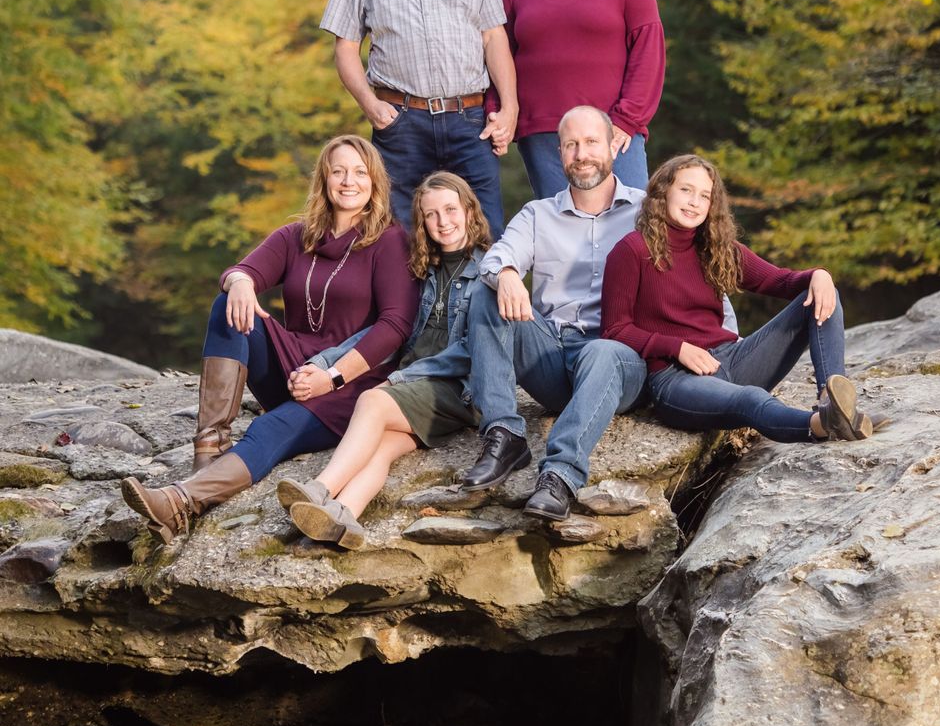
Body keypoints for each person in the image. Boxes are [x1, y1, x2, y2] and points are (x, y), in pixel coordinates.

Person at [121, 137, 419, 542]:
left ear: (375, 183)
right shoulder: (296, 236)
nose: (349, 181)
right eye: (339, 171)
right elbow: (240, 270)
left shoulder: (388, 241)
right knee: (227, 304)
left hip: (349, 384)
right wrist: (241, 281)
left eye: (360, 172)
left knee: (268, 430)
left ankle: (180, 504)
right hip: (292, 365)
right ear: (324, 179)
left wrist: (331, 377)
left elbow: (395, 326)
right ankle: (209, 448)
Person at [273, 172, 491, 549]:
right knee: (383, 446)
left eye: (451, 210)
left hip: (459, 392)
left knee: (373, 400)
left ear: (470, 211)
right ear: (420, 222)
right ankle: (343, 518)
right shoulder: (424, 269)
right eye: (431, 215)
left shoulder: (490, 272)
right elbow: (389, 329)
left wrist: (403, 378)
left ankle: (319, 488)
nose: (443, 222)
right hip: (418, 390)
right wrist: (327, 363)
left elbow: (474, 351)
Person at [458, 105, 650, 521]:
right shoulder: (537, 214)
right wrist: (507, 273)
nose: (582, 153)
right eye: (571, 145)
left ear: (613, 147)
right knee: (485, 291)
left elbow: (692, 274)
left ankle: (560, 475)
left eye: (591, 142)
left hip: (618, 360)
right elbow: (497, 258)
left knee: (603, 350)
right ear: (560, 153)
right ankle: (505, 433)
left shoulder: (647, 212)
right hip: (551, 357)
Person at [600, 154, 872, 444]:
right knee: (751, 399)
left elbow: (777, 280)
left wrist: (818, 275)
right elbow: (615, 330)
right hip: (676, 379)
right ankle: (822, 425)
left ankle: (832, 402)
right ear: (663, 191)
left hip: (732, 359)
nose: (694, 202)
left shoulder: (716, 247)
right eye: (686, 190)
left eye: (704, 196)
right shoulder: (631, 250)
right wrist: (676, 347)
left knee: (819, 293)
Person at [319, 0, 518, 241]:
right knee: (399, 238)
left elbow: (494, 37)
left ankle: (481, 304)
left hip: (470, 121)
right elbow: (345, 47)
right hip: (400, 123)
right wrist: (370, 105)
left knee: (487, 231)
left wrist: (509, 108)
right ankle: (409, 306)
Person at [499, 0, 665, 198]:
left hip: (613, 130)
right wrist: (502, 111)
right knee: (564, 235)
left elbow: (649, 50)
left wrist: (627, 119)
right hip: (545, 133)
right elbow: (498, 53)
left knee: (630, 232)